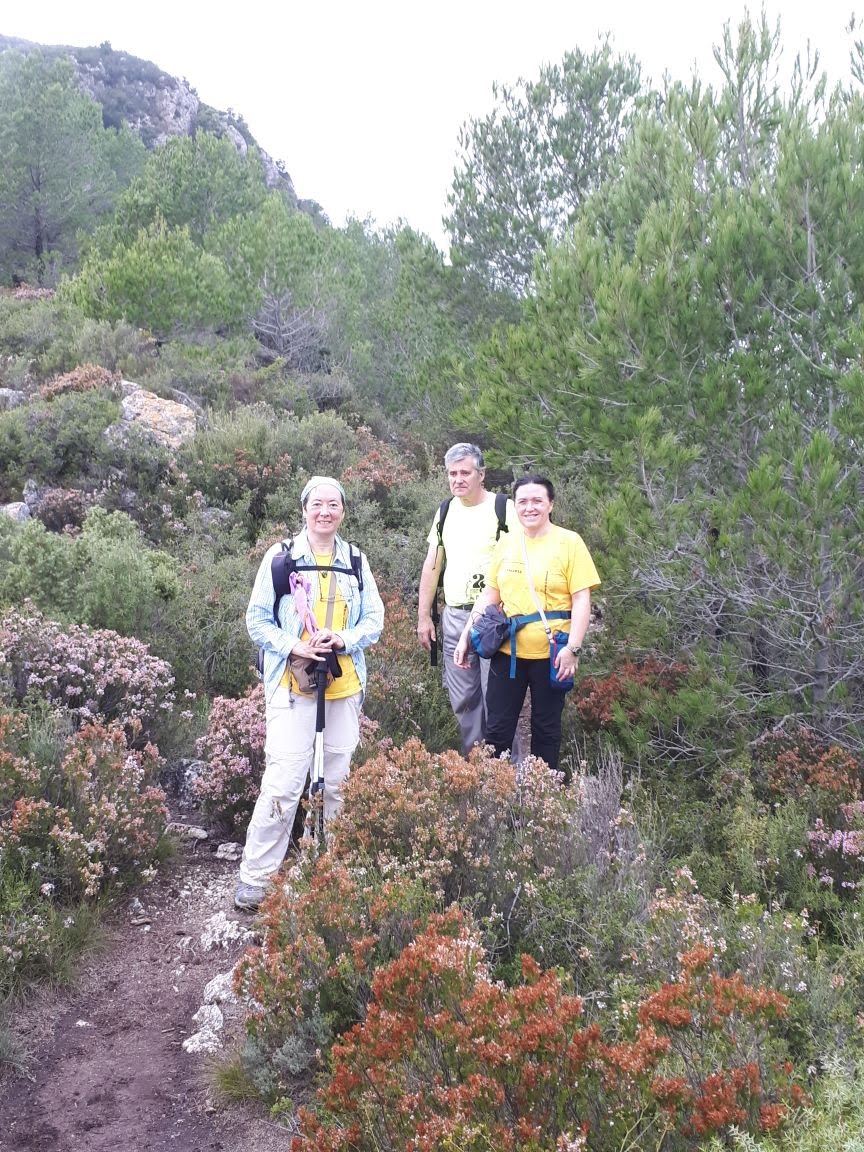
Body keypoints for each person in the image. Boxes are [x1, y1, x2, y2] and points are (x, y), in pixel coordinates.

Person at [235, 476, 384, 911]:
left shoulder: (355, 560)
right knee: (284, 780)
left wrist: (344, 639)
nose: (325, 512)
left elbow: (374, 620)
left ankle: (329, 867)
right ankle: (257, 877)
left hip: (344, 684)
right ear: (304, 509)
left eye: (333, 504)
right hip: (291, 685)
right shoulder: (281, 558)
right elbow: (257, 620)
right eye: (317, 503)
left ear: (343, 511)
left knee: (337, 781)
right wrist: (295, 646)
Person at [454, 475, 599, 773]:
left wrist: (573, 648)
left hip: (553, 654)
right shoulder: (507, 544)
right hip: (508, 653)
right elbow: (490, 595)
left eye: (537, 501)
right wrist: (466, 634)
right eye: (522, 501)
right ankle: (497, 791)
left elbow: (581, 599)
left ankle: (543, 791)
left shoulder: (569, 542)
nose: (529, 507)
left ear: (550, 504)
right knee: (497, 729)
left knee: (546, 729)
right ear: (515, 506)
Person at [417, 443, 517, 757]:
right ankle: (476, 770)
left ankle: (513, 774)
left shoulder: (504, 509)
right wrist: (423, 617)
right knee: (464, 700)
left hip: (495, 618)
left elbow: (521, 561)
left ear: (481, 474)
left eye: (465, 472)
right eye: (452, 473)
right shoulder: (445, 511)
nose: (458, 479)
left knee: (497, 700)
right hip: (455, 616)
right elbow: (432, 565)